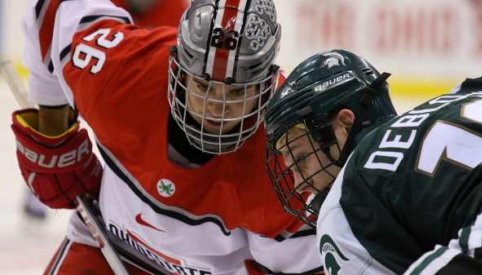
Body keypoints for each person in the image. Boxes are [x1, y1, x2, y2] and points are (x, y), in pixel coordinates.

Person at [14, 0, 323, 273]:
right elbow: (51, 11)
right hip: (105, 244)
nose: (217, 107)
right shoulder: (125, 73)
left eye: (238, 91)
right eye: (203, 86)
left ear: (266, 86)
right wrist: (54, 130)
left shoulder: (293, 154)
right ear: (178, 70)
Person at [264, 49, 482, 274]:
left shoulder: (346, 199)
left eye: (300, 158)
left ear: (344, 124)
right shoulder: (464, 93)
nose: (298, 184)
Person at [20, 0, 189, 222]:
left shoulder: (177, 13)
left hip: (138, 105)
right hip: (96, 88)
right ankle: (35, 195)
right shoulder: (100, 5)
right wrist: (53, 118)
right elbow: (49, 17)